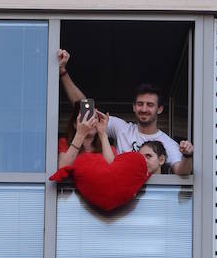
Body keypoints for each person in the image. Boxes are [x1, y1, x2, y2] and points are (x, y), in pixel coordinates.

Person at [58, 49, 194, 176]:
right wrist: (63, 72)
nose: (144, 109)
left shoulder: (167, 142)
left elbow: (181, 171)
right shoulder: (121, 127)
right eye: (140, 104)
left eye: (150, 105)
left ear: (159, 109)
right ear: (134, 107)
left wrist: (188, 155)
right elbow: (85, 110)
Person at [56, 100, 115, 171]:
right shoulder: (65, 143)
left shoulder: (107, 146)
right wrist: (80, 134)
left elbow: (113, 169)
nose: (90, 122)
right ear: (75, 124)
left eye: (94, 117)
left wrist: (102, 134)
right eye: (85, 118)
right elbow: (63, 168)